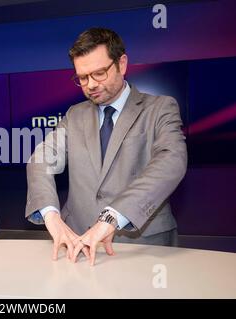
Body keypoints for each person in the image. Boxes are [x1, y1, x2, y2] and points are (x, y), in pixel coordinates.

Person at [25, 28, 187, 266]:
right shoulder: (74, 115)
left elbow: (171, 161)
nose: (90, 85)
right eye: (82, 77)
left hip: (143, 247)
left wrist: (112, 217)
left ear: (121, 64)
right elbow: (41, 160)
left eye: (99, 73)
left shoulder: (160, 108)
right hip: (77, 245)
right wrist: (51, 215)